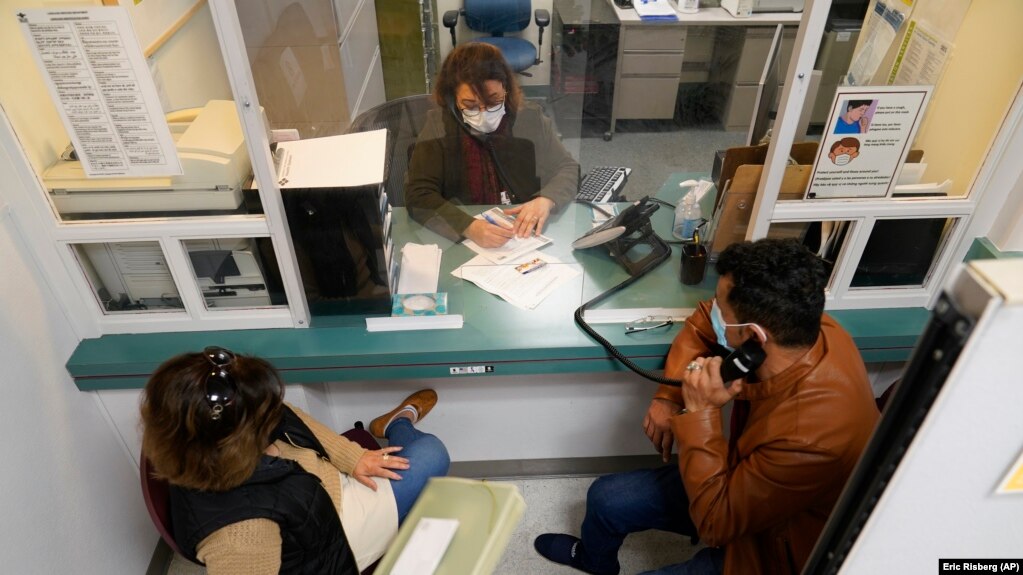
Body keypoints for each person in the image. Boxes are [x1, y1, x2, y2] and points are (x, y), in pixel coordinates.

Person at [535, 238, 880, 575]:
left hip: (766, 544)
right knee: (606, 498)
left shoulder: (811, 440)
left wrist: (701, 414)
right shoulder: (808, 329)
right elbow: (703, 321)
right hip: (740, 474)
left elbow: (716, 523)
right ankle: (596, 563)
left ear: (753, 338)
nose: (711, 309)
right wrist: (669, 396)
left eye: (720, 306)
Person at [140, 348, 449, 574]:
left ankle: (393, 435)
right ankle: (398, 424)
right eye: (265, 415)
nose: (274, 409)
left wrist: (351, 457)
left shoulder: (192, 428)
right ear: (240, 440)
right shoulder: (242, 538)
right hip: (335, 536)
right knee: (432, 454)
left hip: (315, 495)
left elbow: (287, 416)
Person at [405, 42, 579, 248]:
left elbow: (568, 168)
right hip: (465, 241)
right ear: (452, 98)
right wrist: (468, 226)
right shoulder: (439, 128)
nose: (484, 112)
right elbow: (418, 194)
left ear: (505, 89)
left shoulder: (530, 119)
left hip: (524, 237)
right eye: (470, 105)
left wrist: (547, 199)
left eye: (494, 101)